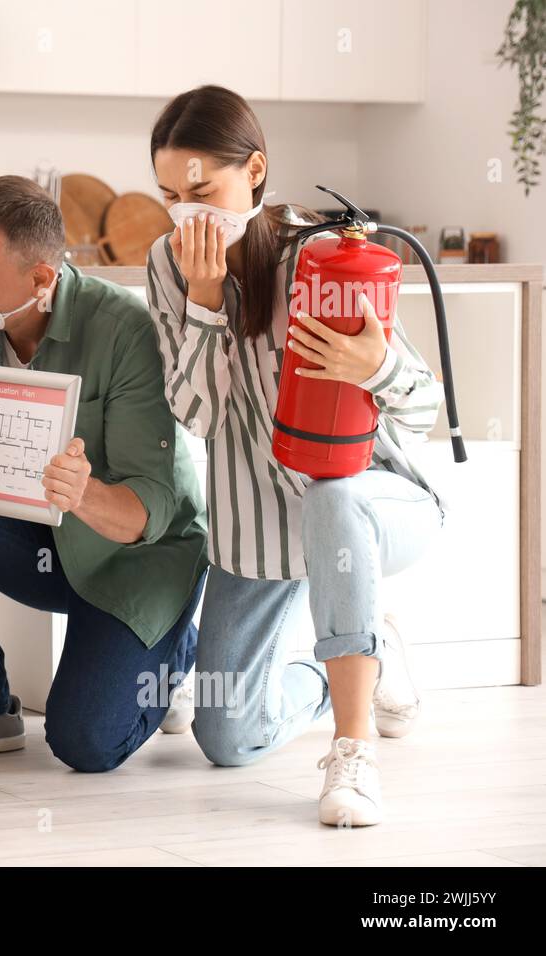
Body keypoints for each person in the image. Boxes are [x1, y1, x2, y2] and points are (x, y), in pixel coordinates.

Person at [145, 85, 443, 826]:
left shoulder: (322, 257)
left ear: (254, 169)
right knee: (226, 735)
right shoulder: (168, 264)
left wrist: (376, 366)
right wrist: (206, 300)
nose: (187, 213)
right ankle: (362, 664)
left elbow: (427, 408)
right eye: (168, 196)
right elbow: (196, 414)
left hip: (372, 503)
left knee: (335, 492)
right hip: (261, 533)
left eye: (201, 190)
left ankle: (354, 749)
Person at [0, 175, 209, 772]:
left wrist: (83, 493)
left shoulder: (124, 329)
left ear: (42, 279)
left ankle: (174, 649)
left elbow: (154, 506)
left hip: (135, 558)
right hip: (42, 541)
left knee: (84, 744)